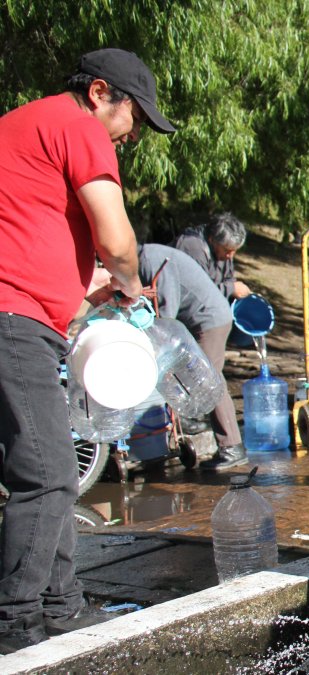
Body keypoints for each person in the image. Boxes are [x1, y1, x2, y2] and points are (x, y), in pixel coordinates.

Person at [0, 48, 174, 653]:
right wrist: (128, 282)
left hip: (19, 316)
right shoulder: (79, 125)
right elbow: (117, 240)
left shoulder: (27, 125)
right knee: (49, 475)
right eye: (135, 118)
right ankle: (15, 622)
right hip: (12, 319)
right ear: (100, 93)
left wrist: (85, 291)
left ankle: (60, 603)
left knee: (40, 469)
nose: (132, 136)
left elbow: (25, 244)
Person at [135, 244, 246, 470]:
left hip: (209, 319)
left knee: (209, 381)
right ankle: (193, 423)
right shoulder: (148, 258)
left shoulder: (153, 260)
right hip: (203, 317)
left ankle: (232, 447)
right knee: (197, 377)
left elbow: (167, 309)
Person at [173, 212, 252, 303]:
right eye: (227, 250)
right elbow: (195, 293)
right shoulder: (193, 248)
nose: (230, 256)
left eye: (234, 251)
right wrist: (231, 289)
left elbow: (228, 279)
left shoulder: (223, 250)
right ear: (212, 240)